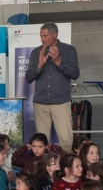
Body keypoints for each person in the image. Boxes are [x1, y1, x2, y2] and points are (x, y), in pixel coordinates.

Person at [25, 22, 80, 152]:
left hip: (61, 101)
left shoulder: (69, 50)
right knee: (41, 142)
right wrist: (39, 66)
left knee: (66, 139)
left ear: (55, 34)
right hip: (41, 102)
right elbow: (28, 78)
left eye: (45, 36)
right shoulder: (36, 52)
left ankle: (69, 164)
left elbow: (75, 74)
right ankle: (43, 165)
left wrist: (58, 61)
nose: (42, 39)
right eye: (41, 36)